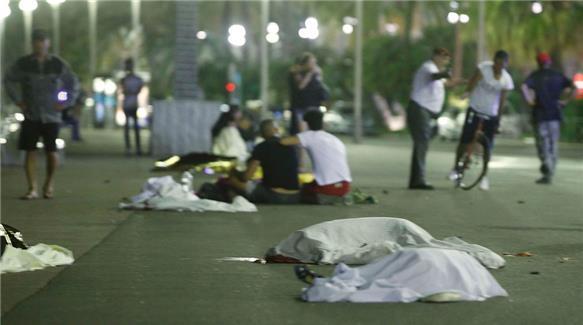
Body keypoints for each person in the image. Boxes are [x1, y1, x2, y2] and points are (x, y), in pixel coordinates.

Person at [4, 29, 79, 199]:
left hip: (52, 116)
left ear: (48, 43)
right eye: (36, 41)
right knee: (29, 150)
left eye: (42, 41)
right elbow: (8, 79)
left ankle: (48, 184)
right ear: (32, 44)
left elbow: (71, 83)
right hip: (31, 114)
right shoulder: (23, 64)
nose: (40, 44)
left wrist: (64, 102)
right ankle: (32, 188)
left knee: (51, 151)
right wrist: (18, 100)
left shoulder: (58, 64)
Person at [449, 50, 514, 190]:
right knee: (465, 140)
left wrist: (498, 119)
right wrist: (466, 93)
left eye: (502, 64)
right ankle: (455, 168)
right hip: (475, 109)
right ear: (494, 61)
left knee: (487, 147)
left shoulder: (506, 80)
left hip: (491, 114)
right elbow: (473, 81)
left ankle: (484, 176)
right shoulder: (484, 68)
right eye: (497, 63)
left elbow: (502, 100)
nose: (499, 67)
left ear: (506, 65)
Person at [407, 48, 462, 190]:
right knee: (422, 143)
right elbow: (434, 76)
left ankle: (417, 179)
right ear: (435, 57)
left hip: (427, 112)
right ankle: (417, 180)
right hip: (420, 109)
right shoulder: (427, 67)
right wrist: (445, 74)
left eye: (447, 60)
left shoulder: (437, 72)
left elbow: (447, 83)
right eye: (443, 58)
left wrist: (466, 81)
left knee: (424, 141)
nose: (445, 62)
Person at [521, 52, 574, 185]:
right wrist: (565, 102)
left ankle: (547, 166)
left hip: (540, 115)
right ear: (549, 62)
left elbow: (523, 86)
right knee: (553, 144)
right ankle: (549, 173)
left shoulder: (535, 76)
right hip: (555, 116)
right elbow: (574, 87)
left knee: (542, 144)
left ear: (538, 63)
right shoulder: (558, 75)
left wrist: (529, 100)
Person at [281, 110, 351, 204]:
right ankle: (336, 197)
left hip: (328, 188)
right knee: (308, 185)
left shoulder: (309, 136)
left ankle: (326, 198)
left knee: (299, 192)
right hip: (345, 186)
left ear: (306, 124)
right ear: (322, 123)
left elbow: (283, 142)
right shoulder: (334, 139)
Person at [225, 119, 300, 204]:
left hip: (273, 196)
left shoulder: (261, 147)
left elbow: (246, 177)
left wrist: (235, 172)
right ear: (277, 130)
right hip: (295, 196)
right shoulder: (290, 147)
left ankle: (236, 207)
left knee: (232, 181)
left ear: (261, 134)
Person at [288, 53, 329, 135]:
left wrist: (319, 75)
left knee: (315, 130)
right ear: (305, 63)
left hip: (314, 105)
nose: (314, 65)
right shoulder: (297, 71)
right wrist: (309, 74)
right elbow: (301, 86)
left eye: (315, 62)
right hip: (301, 105)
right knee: (303, 131)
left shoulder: (317, 73)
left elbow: (319, 86)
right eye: (311, 62)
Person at [118, 58, 144, 156]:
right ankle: (132, 148)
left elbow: (127, 90)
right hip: (129, 104)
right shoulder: (129, 79)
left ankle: (134, 148)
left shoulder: (127, 79)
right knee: (130, 128)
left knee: (132, 128)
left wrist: (129, 92)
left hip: (132, 104)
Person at [211, 105, 249, 169]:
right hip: (231, 166)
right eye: (238, 112)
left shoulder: (224, 130)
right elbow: (232, 151)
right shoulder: (230, 131)